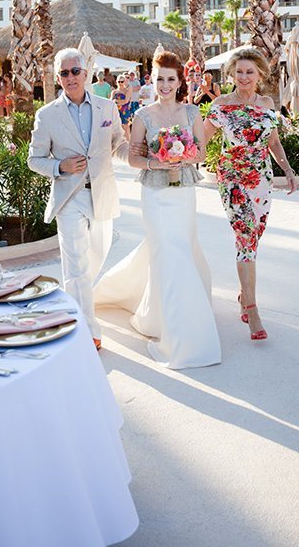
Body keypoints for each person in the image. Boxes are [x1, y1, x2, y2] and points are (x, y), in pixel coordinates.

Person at [94, 51, 221, 370]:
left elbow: (202, 152)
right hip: (154, 192)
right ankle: (179, 330)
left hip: (184, 192)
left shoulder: (192, 112)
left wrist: (185, 156)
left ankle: (162, 313)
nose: (165, 84)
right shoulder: (143, 116)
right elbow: (134, 157)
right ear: (153, 79)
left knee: (182, 246)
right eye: (160, 78)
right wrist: (156, 161)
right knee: (167, 249)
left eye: (171, 79)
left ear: (179, 82)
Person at [28, 48, 129, 352]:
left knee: (96, 255)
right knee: (76, 264)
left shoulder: (107, 108)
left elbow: (118, 144)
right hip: (69, 197)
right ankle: (86, 327)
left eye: (75, 71)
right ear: (57, 78)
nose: (70, 77)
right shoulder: (46, 115)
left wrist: (142, 157)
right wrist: (59, 167)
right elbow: (35, 159)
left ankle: (74, 303)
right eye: (64, 73)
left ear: (86, 73)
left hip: (102, 193)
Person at [203, 47, 296, 342]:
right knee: (245, 238)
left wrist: (288, 169)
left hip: (261, 176)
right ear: (232, 74)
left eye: (249, 72)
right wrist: (177, 155)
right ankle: (253, 310)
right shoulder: (221, 105)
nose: (243, 77)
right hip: (232, 175)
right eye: (239, 72)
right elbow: (202, 140)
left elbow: (274, 142)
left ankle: (244, 295)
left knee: (254, 237)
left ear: (259, 75)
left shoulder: (267, 103)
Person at [111, 75, 132, 139]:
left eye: (122, 81)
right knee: (117, 127)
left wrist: (116, 101)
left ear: (124, 82)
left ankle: (128, 143)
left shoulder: (127, 90)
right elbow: (111, 102)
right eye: (119, 81)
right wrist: (119, 102)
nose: (120, 83)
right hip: (116, 111)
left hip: (125, 111)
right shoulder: (114, 92)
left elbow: (126, 101)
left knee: (126, 127)